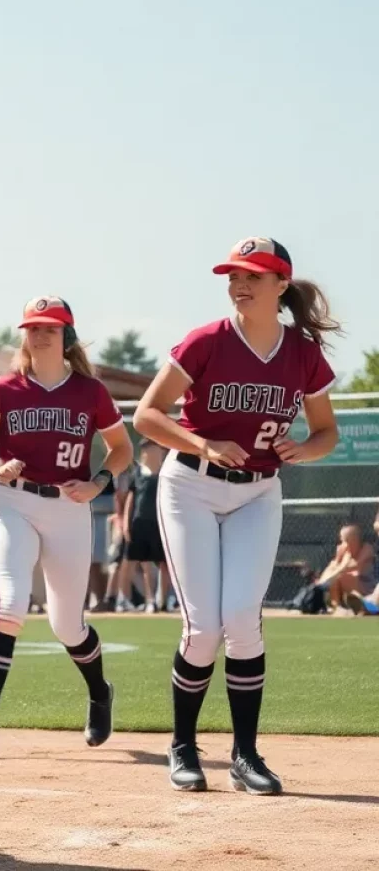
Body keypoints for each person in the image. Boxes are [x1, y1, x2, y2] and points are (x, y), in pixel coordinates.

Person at [134, 237, 339, 795]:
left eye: (253, 274)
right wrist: (203, 444)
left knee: (243, 617)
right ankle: (182, 745)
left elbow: (327, 432)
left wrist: (308, 448)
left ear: (281, 285)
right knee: (204, 627)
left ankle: (246, 755)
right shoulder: (207, 340)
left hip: (258, 492)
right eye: (232, 275)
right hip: (191, 488)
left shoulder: (302, 352)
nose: (239, 283)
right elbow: (148, 416)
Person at [0, 296, 134, 759]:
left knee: (68, 624)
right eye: (33, 327)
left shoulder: (89, 391)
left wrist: (99, 482)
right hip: (15, 501)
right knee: (11, 603)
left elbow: (121, 448)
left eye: (50, 328)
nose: (39, 335)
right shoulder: (4, 389)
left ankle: (99, 693)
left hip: (68, 505)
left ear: (67, 337)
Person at [119, 439, 171, 613]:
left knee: (164, 564)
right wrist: (126, 524)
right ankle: (149, 601)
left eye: (152, 447)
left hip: (161, 523)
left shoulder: (166, 472)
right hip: (140, 523)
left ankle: (162, 600)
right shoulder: (138, 473)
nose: (149, 451)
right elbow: (130, 500)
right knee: (145, 564)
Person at [315, 523, 376, 611]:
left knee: (343, 577)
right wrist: (323, 580)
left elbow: (355, 567)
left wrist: (338, 570)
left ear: (354, 540)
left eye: (344, 540)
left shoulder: (367, 549)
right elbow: (332, 566)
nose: (342, 542)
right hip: (347, 590)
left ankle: (365, 606)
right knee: (336, 577)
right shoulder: (342, 549)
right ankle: (337, 607)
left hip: (367, 588)